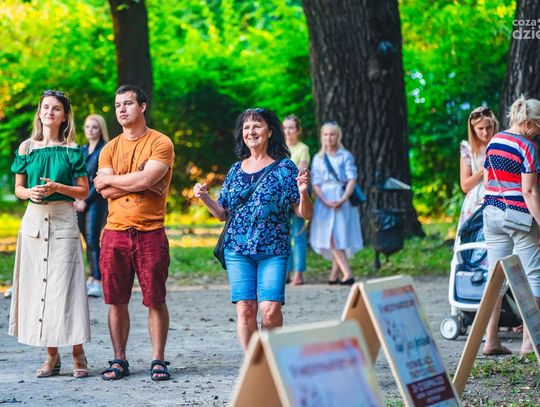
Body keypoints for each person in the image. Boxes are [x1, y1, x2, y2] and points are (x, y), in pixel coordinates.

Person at [193, 108, 313, 352]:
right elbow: (222, 214)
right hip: (237, 250)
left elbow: (305, 213)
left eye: (257, 126)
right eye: (246, 128)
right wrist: (205, 198)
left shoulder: (285, 168)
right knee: (246, 309)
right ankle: (254, 363)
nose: (251, 131)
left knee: (270, 310)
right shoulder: (236, 170)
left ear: (270, 132)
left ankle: (270, 359)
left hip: (273, 249)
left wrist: (303, 193)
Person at [93, 85, 175, 381]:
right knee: (116, 300)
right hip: (114, 232)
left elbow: (146, 178)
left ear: (142, 106)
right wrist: (139, 181)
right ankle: (119, 359)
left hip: (150, 232)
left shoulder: (160, 142)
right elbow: (103, 190)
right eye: (117, 105)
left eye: (127, 103)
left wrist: (119, 181)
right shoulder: (109, 148)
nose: (121, 109)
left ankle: (158, 360)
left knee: (155, 299)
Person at [8, 90, 91, 378]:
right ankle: (51, 355)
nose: (49, 112)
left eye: (56, 109)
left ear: (64, 116)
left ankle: (78, 353)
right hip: (33, 221)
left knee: (66, 287)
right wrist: (28, 193)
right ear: (39, 112)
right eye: (45, 107)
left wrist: (58, 188)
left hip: (63, 219)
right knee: (39, 287)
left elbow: (83, 191)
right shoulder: (26, 147)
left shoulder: (71, 150)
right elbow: (18, 189)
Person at [482, 95, 540, 356]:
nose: (538, 133)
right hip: (518, 216)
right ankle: (529, 343)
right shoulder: (528, 147)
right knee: (534, 276)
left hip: (491, 213)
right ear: (528, 123)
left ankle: (490, 341)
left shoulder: (494, 141)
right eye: (538, 127)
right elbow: (529, 192)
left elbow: (487, 182)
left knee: (495, 278)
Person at [309, 122, 363, 285]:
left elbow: (352, 178)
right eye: (325, 134)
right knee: (330, 236)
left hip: (341, 198)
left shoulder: (345, 155)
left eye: (332, 134)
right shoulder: (318, 158)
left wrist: (343, 198)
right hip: (324, 200)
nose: (328, 138)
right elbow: (315, 182)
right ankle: (335, 274)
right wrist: (325, 200)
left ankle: (347, 274)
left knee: (338, 236)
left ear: (338, 136)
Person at [74, 114, 109, 297]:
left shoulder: (105, 150)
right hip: (79, 200)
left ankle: (98, 280)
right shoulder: (82, 150)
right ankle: (92, 276)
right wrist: (75, 197)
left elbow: (101, 179)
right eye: (87, 126)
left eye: (94, 127)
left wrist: (85, 200)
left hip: (96, 201)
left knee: (93, 239)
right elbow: (76, 176)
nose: (90, 130)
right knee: (86, 240)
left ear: (101, 129)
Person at [456, 107, 498, 233]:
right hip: (476, 202)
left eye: (489, 127)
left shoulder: (501, 145)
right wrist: (483, 170)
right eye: (480, 128)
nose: (485, 132)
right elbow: (465, 186)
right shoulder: (468, 149)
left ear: (494, 125)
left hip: (499, 196)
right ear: (473, 129)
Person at [283, 114, 310, 285]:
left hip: (297, 197)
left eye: (291, 127)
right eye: (285, 128)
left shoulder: (303, 148)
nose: (288, 131)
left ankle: (298, 274)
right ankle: (285, 272)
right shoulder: (277, 148)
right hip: (281, 199)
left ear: (298, 130)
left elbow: (301, 172)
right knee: (283, 236)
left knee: (298, 236)